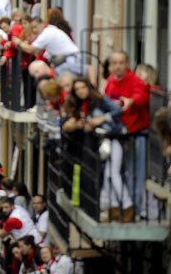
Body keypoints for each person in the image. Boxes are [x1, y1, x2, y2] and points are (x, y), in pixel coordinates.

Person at [63, 77, 132, 222]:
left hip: (114, 137)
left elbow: (117, 110)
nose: (81, 91)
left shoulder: (100, 99)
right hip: (102, 141)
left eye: (83, 87)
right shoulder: (83, 106)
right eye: (77, 89)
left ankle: (127, 206)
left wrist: (101, 119)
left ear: (89, 87)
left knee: (114, 173)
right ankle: (113, 209)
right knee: (107, 175)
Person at [104, 51, 149, 220]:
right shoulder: (110, 82)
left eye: (120, 62)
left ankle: (135, 210)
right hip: (117, 134)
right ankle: (120, 207)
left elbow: (141, 97)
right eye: (114, 63)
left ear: (127, 63)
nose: (117, 66)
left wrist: (131, 101)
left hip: (135, 134)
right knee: (114, 172)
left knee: (134, 172)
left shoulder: (136, 81)